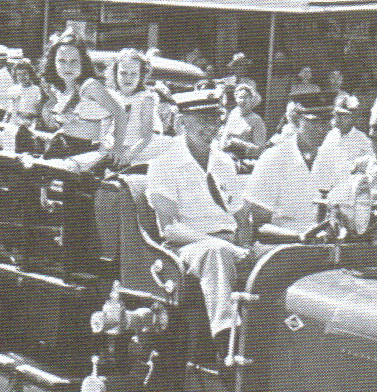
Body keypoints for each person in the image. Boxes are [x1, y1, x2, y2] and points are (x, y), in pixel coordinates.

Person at [145, 88, 248, 342]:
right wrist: (222, 244)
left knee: (278, 259)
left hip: (229, 242)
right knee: (216, 253)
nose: (211, 127)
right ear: (181, 122)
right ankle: (227, 340)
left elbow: (242, 216)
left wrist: (245, 245)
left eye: (215, 119)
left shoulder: (224, 162)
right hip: (186, 248)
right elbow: (169, 228)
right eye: (203, 120)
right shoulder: (163, 164)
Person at [243, 90, 341, 237]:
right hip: (283, 246)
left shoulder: (335, 158)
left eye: (327, 122)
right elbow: (258, 225)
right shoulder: (273, 159)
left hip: (325, 246)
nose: (322, 129)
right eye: (314, 122)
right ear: (296, 121)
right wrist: (299, 237)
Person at [39, 32, 127, 162]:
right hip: (62, 144)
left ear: (83, 62)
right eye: (62, 61)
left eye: (74, 61)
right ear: (53, 62)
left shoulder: (90, 85)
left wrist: (118, 148)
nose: (68, 67)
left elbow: (120, 113)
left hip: (87, 150)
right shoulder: (60, 88)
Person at [106, 47, 158, 161]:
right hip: (112, 152)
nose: (128, 78)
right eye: (123, 73)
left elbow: (147, 136)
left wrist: (129, 155)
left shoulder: (145, 99)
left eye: (133, 74)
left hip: (137, 154)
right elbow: (106, 127)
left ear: (141, 76)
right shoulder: (111, 96)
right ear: (115, 73)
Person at [312, 92, 370, 181]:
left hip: (350, 183)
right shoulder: (331, 135)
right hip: (330, 182)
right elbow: (321, 158)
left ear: (352, 118)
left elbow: (373, 158)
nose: (338, 119)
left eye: (343, 116)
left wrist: (356, 164)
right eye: (337, 115)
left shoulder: (361, 138)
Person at [221, 78, 267, 162]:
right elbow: (224, 139)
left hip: (246, 162)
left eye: (246, 97)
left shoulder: (257, 120)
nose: (242, 101)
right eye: (240, 97)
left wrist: (239, 144)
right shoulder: (233, 114)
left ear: (251, 100)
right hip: (228, 158)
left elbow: (260, 150)